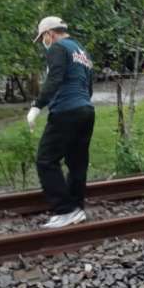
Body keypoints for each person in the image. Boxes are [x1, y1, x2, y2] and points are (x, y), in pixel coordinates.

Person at [26, 16, 95, 228]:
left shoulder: (58, 48)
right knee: (77, 162)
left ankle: (64, 210)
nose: (44, 43)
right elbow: (88, 85)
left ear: (50, 34)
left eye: (43, 38)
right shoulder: (81, 51)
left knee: (46, 160)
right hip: (86, 111)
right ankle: (77, 208)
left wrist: (37, 106)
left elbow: (54, 79)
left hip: (66, 111)